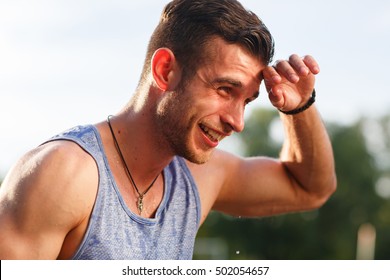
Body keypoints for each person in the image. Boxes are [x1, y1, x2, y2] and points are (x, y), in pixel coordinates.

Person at [0, 0, 336, 260]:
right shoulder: (64, 174)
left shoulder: (199, 177)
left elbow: (311, 189)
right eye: (224, 90)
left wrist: (299, 108)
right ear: (165, 71)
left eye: (246, 101)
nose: (237, 121)